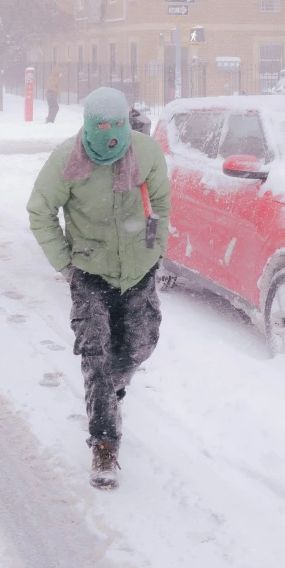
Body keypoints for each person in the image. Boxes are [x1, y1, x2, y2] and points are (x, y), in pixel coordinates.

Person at [27, 87, 170, 490]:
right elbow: (39, 212)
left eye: (116, 126)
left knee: (140, 344)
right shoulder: (65, 162)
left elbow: (160, 205)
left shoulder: (147, 154)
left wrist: (154, 249)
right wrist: (66, 265)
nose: (108, 136)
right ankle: (105, 442)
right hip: (89, 272)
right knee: (97, 356)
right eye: (100, 128)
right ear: (87, 126)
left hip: (138, 270)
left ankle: (113, 386)